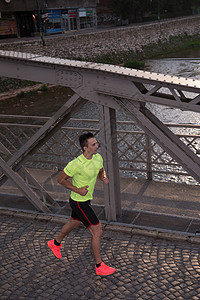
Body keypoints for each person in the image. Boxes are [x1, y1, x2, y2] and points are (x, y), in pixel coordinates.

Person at [47, 132, 116, 276]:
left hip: (85, 199)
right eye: (94, 144)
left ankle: (55, 243)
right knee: (97, 231)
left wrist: (103, 177)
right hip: (79, 202)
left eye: (97, 143)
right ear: (85, 148)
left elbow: (100, 169)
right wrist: (77, 189)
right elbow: (61, 179)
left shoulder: (98, 157)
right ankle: (99, 266)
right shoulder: (76, 164)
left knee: (74, 223)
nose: (97, 146)